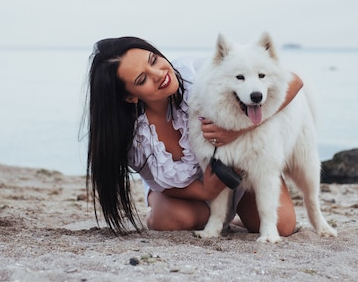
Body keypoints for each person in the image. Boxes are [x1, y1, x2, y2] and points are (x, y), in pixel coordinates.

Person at [85, 36, 304, 235]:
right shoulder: (136, 140)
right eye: (142, 79)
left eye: (153, 60)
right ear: (130, 97)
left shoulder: (194, 71)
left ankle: (232, 217)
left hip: (240, 172)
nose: (159, 74)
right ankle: (191, 214)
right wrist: (206, 190)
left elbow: (294, 81)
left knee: (282, 225)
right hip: (188, 193)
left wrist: (237, 130)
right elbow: (168, 184)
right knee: (170, 219)